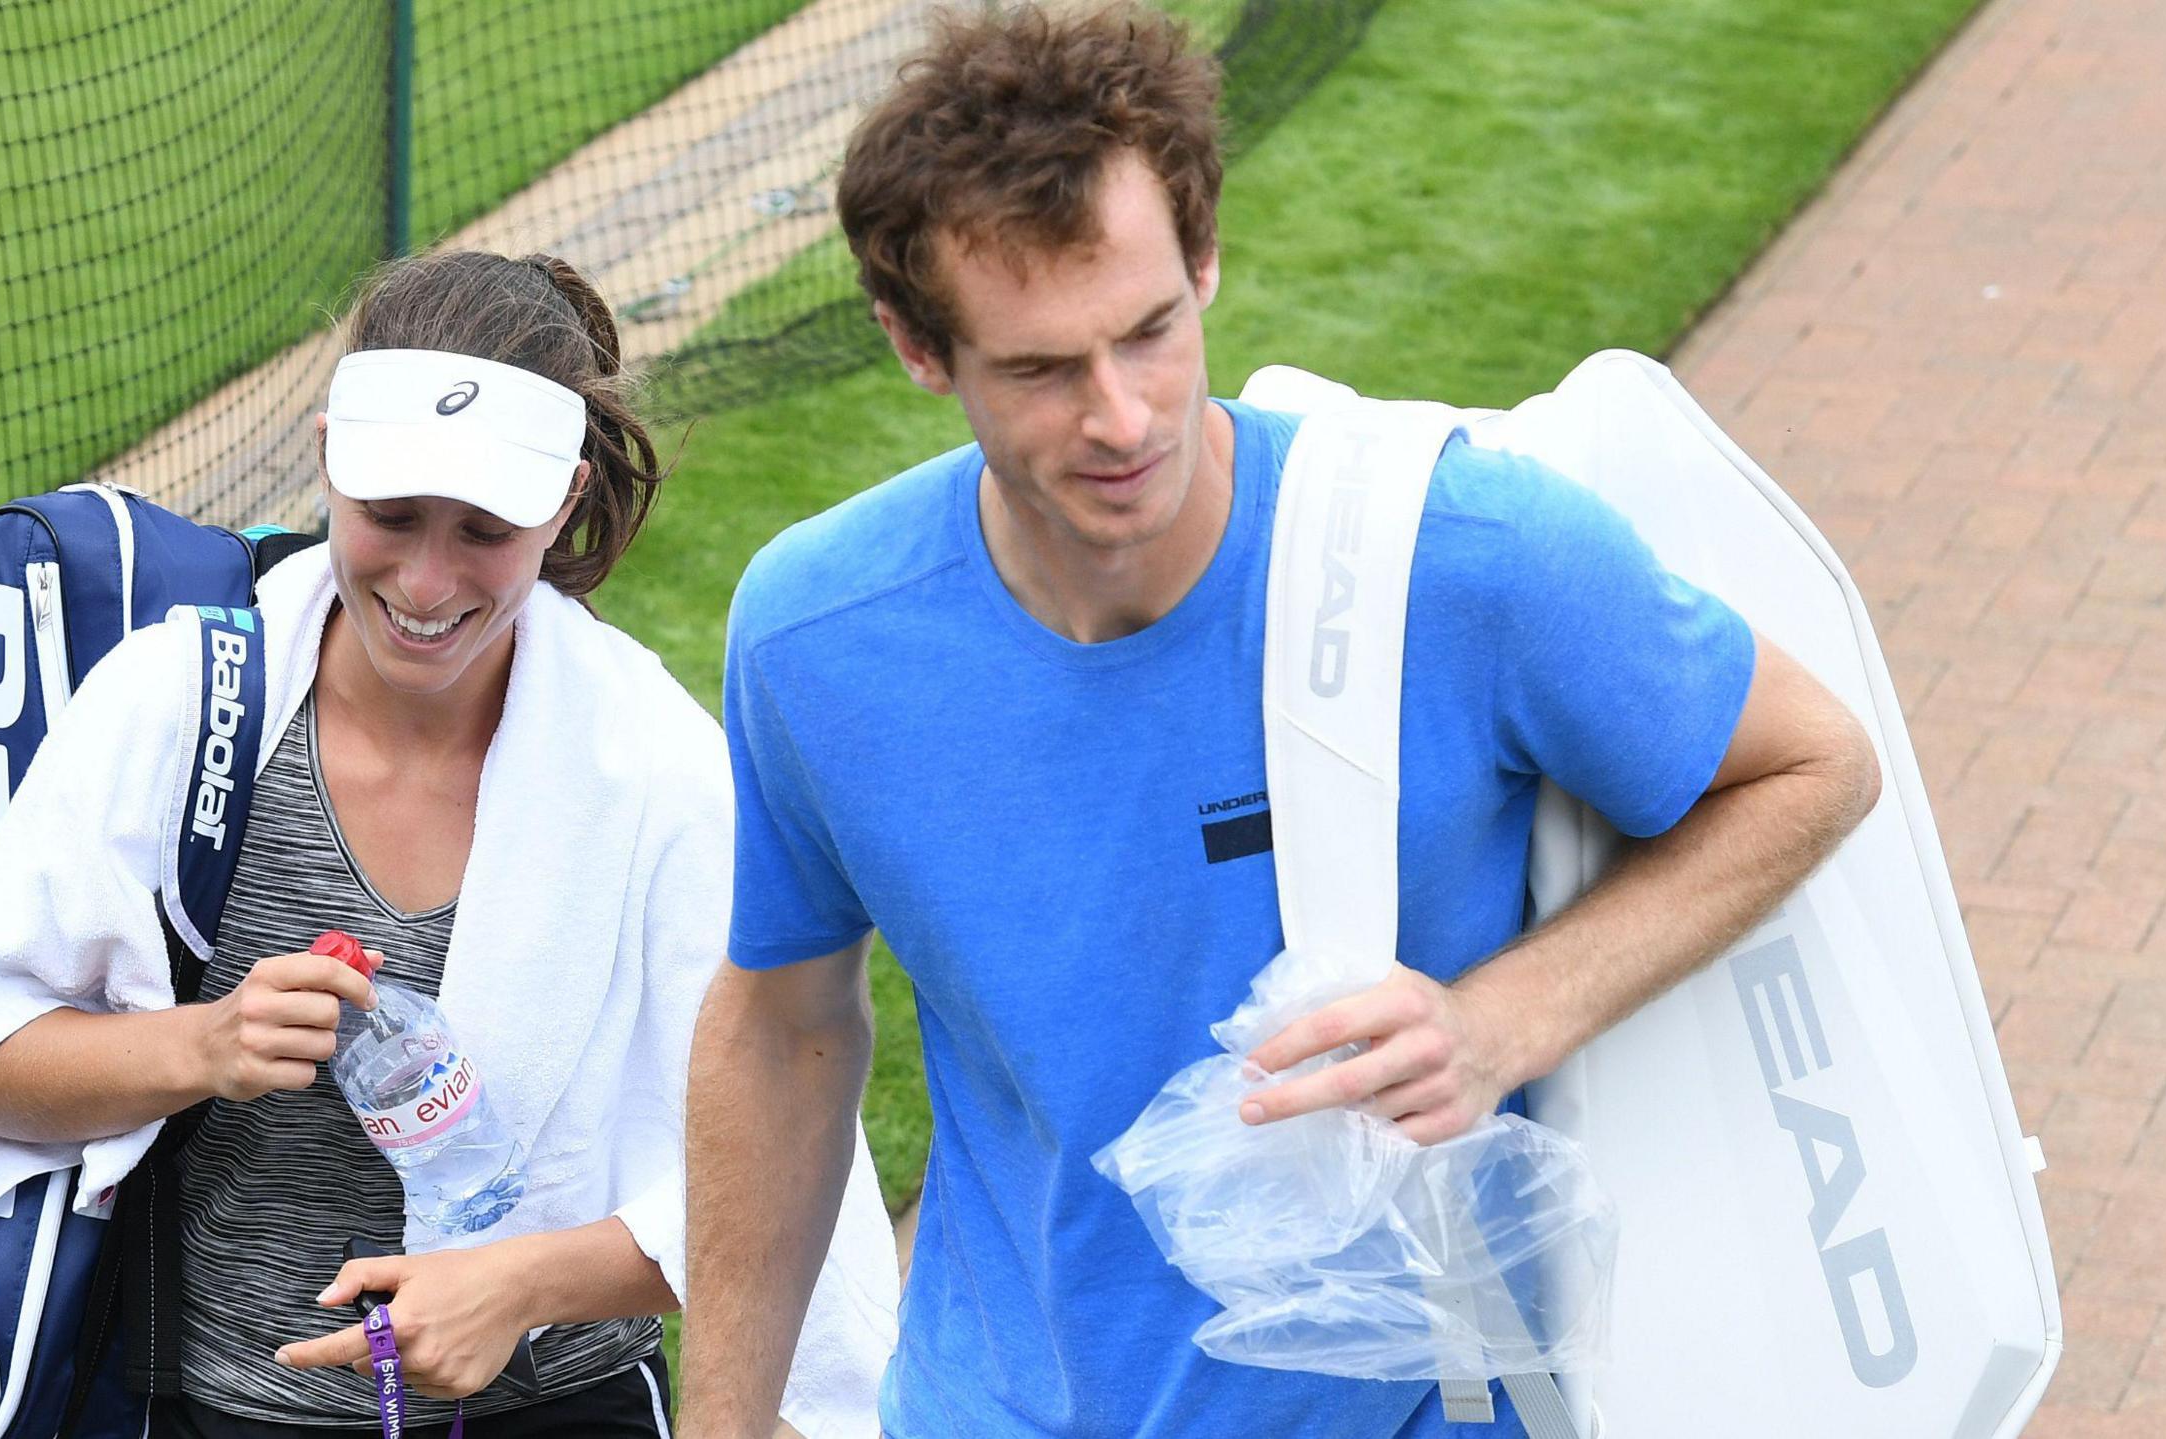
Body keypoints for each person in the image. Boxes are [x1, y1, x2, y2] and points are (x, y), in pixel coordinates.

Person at [676, 7, 1881, 1439]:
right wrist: (724, 1420)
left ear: (1205, 262)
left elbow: (1816, 760)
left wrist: (1502, 1017)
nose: (1122, 417)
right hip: (990, 1403)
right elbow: (786, 1021)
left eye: (1150, 332)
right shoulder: (818, 636)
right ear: (915, 346)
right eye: (1043, 369)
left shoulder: (1464, 552)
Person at [0, 249, 897, 1438]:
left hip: (560, 1408)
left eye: (484, 528)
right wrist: (202, 1042)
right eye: (389, 516)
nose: (427, 581)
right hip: (222, 1411)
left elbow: (786, 1175)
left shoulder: (657, 771)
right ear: (328, 454)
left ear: (567, 501)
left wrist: (522, 1282)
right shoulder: (178, 707)